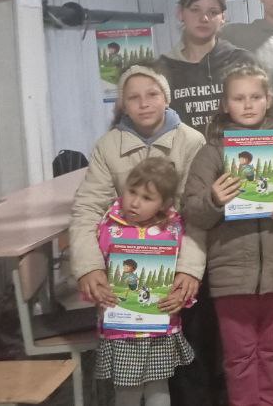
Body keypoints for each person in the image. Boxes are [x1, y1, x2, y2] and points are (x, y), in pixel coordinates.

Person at [68, 66, 210, 405]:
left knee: (179, 372)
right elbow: (87, 208)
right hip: (123, 279)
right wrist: (89, 267)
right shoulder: (108, 145)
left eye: (152, 94)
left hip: (175, 271)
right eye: (133, 97)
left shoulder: (192, 142)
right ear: (122, 105)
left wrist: (189, 270)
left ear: (166, 98)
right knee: (127, 378)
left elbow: (197, 213)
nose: (144, 103)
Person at [182, 65, 273, 406]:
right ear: (225, 104)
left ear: (268, 99)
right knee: (239, 356)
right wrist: (214, 199)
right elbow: (191, 209)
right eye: (239, 98)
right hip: (232, 275)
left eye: (255, 97)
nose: (247, 105)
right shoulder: (212, 152)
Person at [93, 157, 197, 406]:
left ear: (164, 204)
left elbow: (185, 273)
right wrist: (97, 293)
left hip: (160, 326)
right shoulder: (108, 226)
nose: (135, 202)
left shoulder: (175, 230)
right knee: (126, 391)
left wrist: (182, 298)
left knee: (158, 388)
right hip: (121, 329)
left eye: (147, 198)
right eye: (132, 192)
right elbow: (95, 271)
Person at [158, 0, 256, 133]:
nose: (204, 18)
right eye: (195, 10)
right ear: (180, 13)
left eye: (213, 12)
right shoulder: (161, 69)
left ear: (223, 17)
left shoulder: (242, 61)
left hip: (235, 148)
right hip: (183, 149)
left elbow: (265, 117)